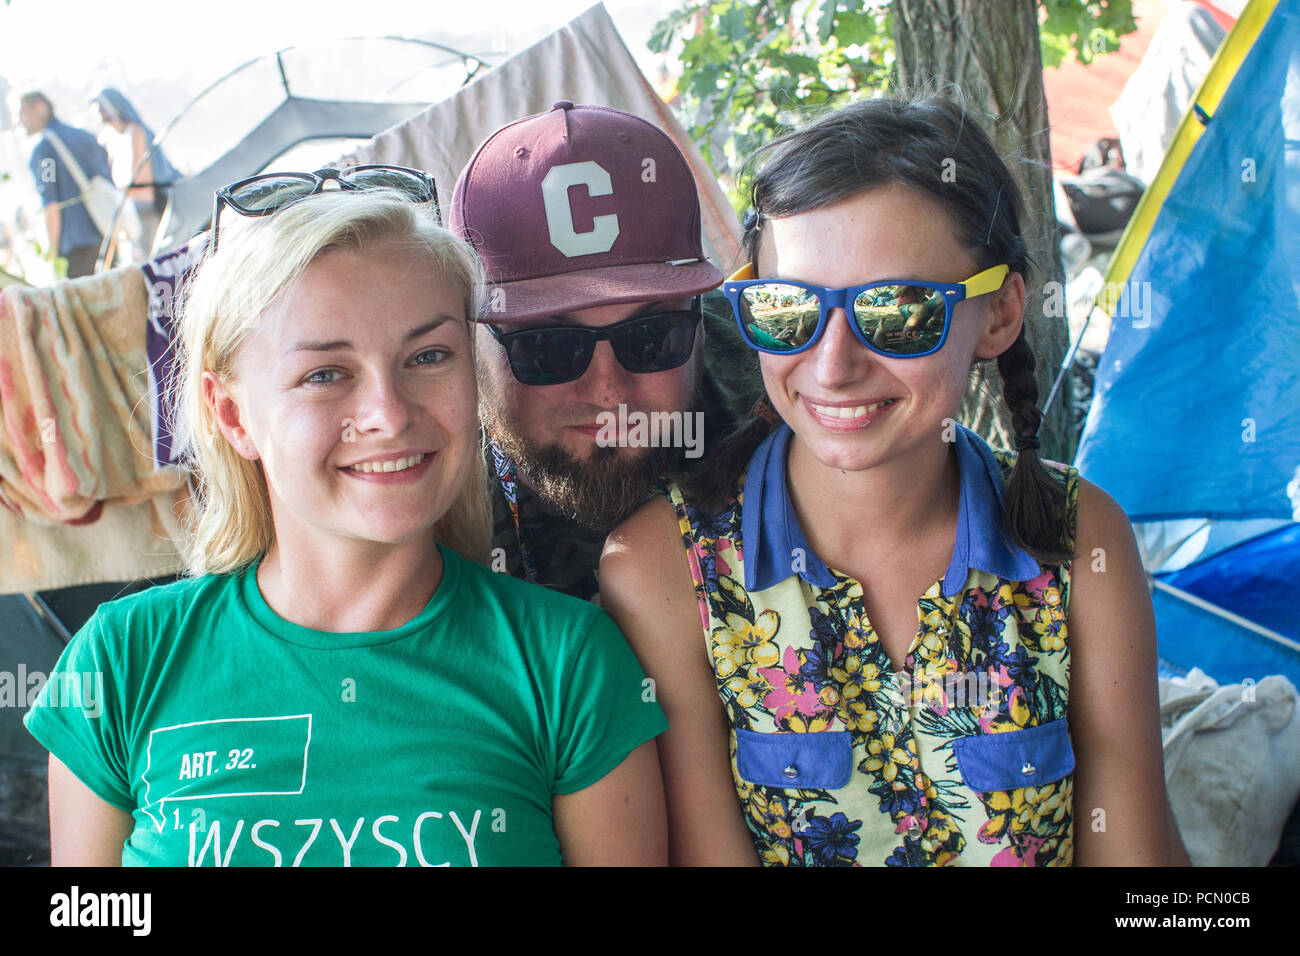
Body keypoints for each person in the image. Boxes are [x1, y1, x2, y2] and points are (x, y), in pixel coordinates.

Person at [600, 94, 1190, 867]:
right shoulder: (662, 570)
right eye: (789, 308)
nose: (833, 365)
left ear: (1002, 314)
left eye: (897, 311)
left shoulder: (1080, 541)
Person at [24, 173, 667, 866]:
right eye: (325, 374)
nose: (389, 414)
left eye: (427, 357)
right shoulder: (123, 660)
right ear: (232, 414)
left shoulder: (570, 662)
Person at [450, 101, 759, 602]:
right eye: (546, 347)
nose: (608, 389)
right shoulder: (428, 494)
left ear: (702, 321)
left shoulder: (779, 396)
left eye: (652, 337)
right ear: (468, 347)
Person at [19, 91, 113, 278]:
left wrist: (53, 254)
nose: (20, 121)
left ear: (40, 107)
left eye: (22, 113)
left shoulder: (44, 150)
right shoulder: (85, 137)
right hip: (108, 235)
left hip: (76, 248)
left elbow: (51, 203)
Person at [93, 87, 181, 256]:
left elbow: (139, 172)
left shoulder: (136, 131)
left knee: (154, 253)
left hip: (144, 206)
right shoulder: (109, 138)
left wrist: (126, 189)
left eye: (103, 108)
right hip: (126, 208)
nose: (100, 113)